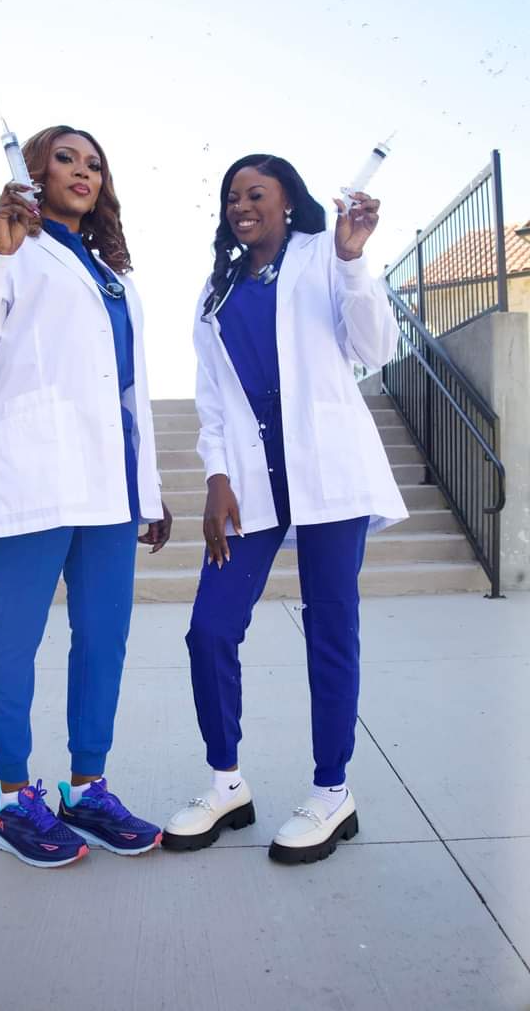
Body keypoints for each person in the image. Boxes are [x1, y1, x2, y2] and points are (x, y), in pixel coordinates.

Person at [0, 125, 172, 868]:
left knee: (103, 637)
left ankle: (86, 788)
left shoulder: (111, 273)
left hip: (110, 485)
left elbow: (130, 389)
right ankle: (11, 798)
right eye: (65, 158)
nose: (82, 171)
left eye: (94, 163)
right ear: (34, 170)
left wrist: (149, 489)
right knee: (16, 637)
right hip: (36, 473)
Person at [162, 153, 407, 863]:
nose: (241, 206)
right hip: (251, 479)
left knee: (330, 628)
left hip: (327, 470)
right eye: (231, 196)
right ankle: (226, 783)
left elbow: (376, 347)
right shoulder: (216, 289)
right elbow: (212, 399)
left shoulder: (325, 256)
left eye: (256, 193)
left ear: (288, 201)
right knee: (210, 628)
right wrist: (215, 476)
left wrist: (353, 260)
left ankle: (332, 791)